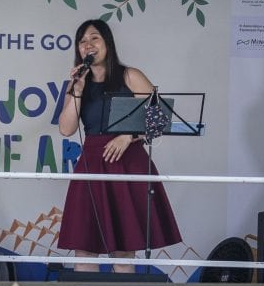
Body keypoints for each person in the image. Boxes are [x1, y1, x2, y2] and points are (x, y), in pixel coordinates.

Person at [56, 19, 182, 272]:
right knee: (84, 245)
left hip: (127, 161)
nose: (88, 45)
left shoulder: (130, 76)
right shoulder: (78, 82)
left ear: (107, 44)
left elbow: (160, 118)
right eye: (82, 41)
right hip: (92, 162)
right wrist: (77, 90)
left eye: (94, 38)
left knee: (124, 247)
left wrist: (128, 135)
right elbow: (66, 128)